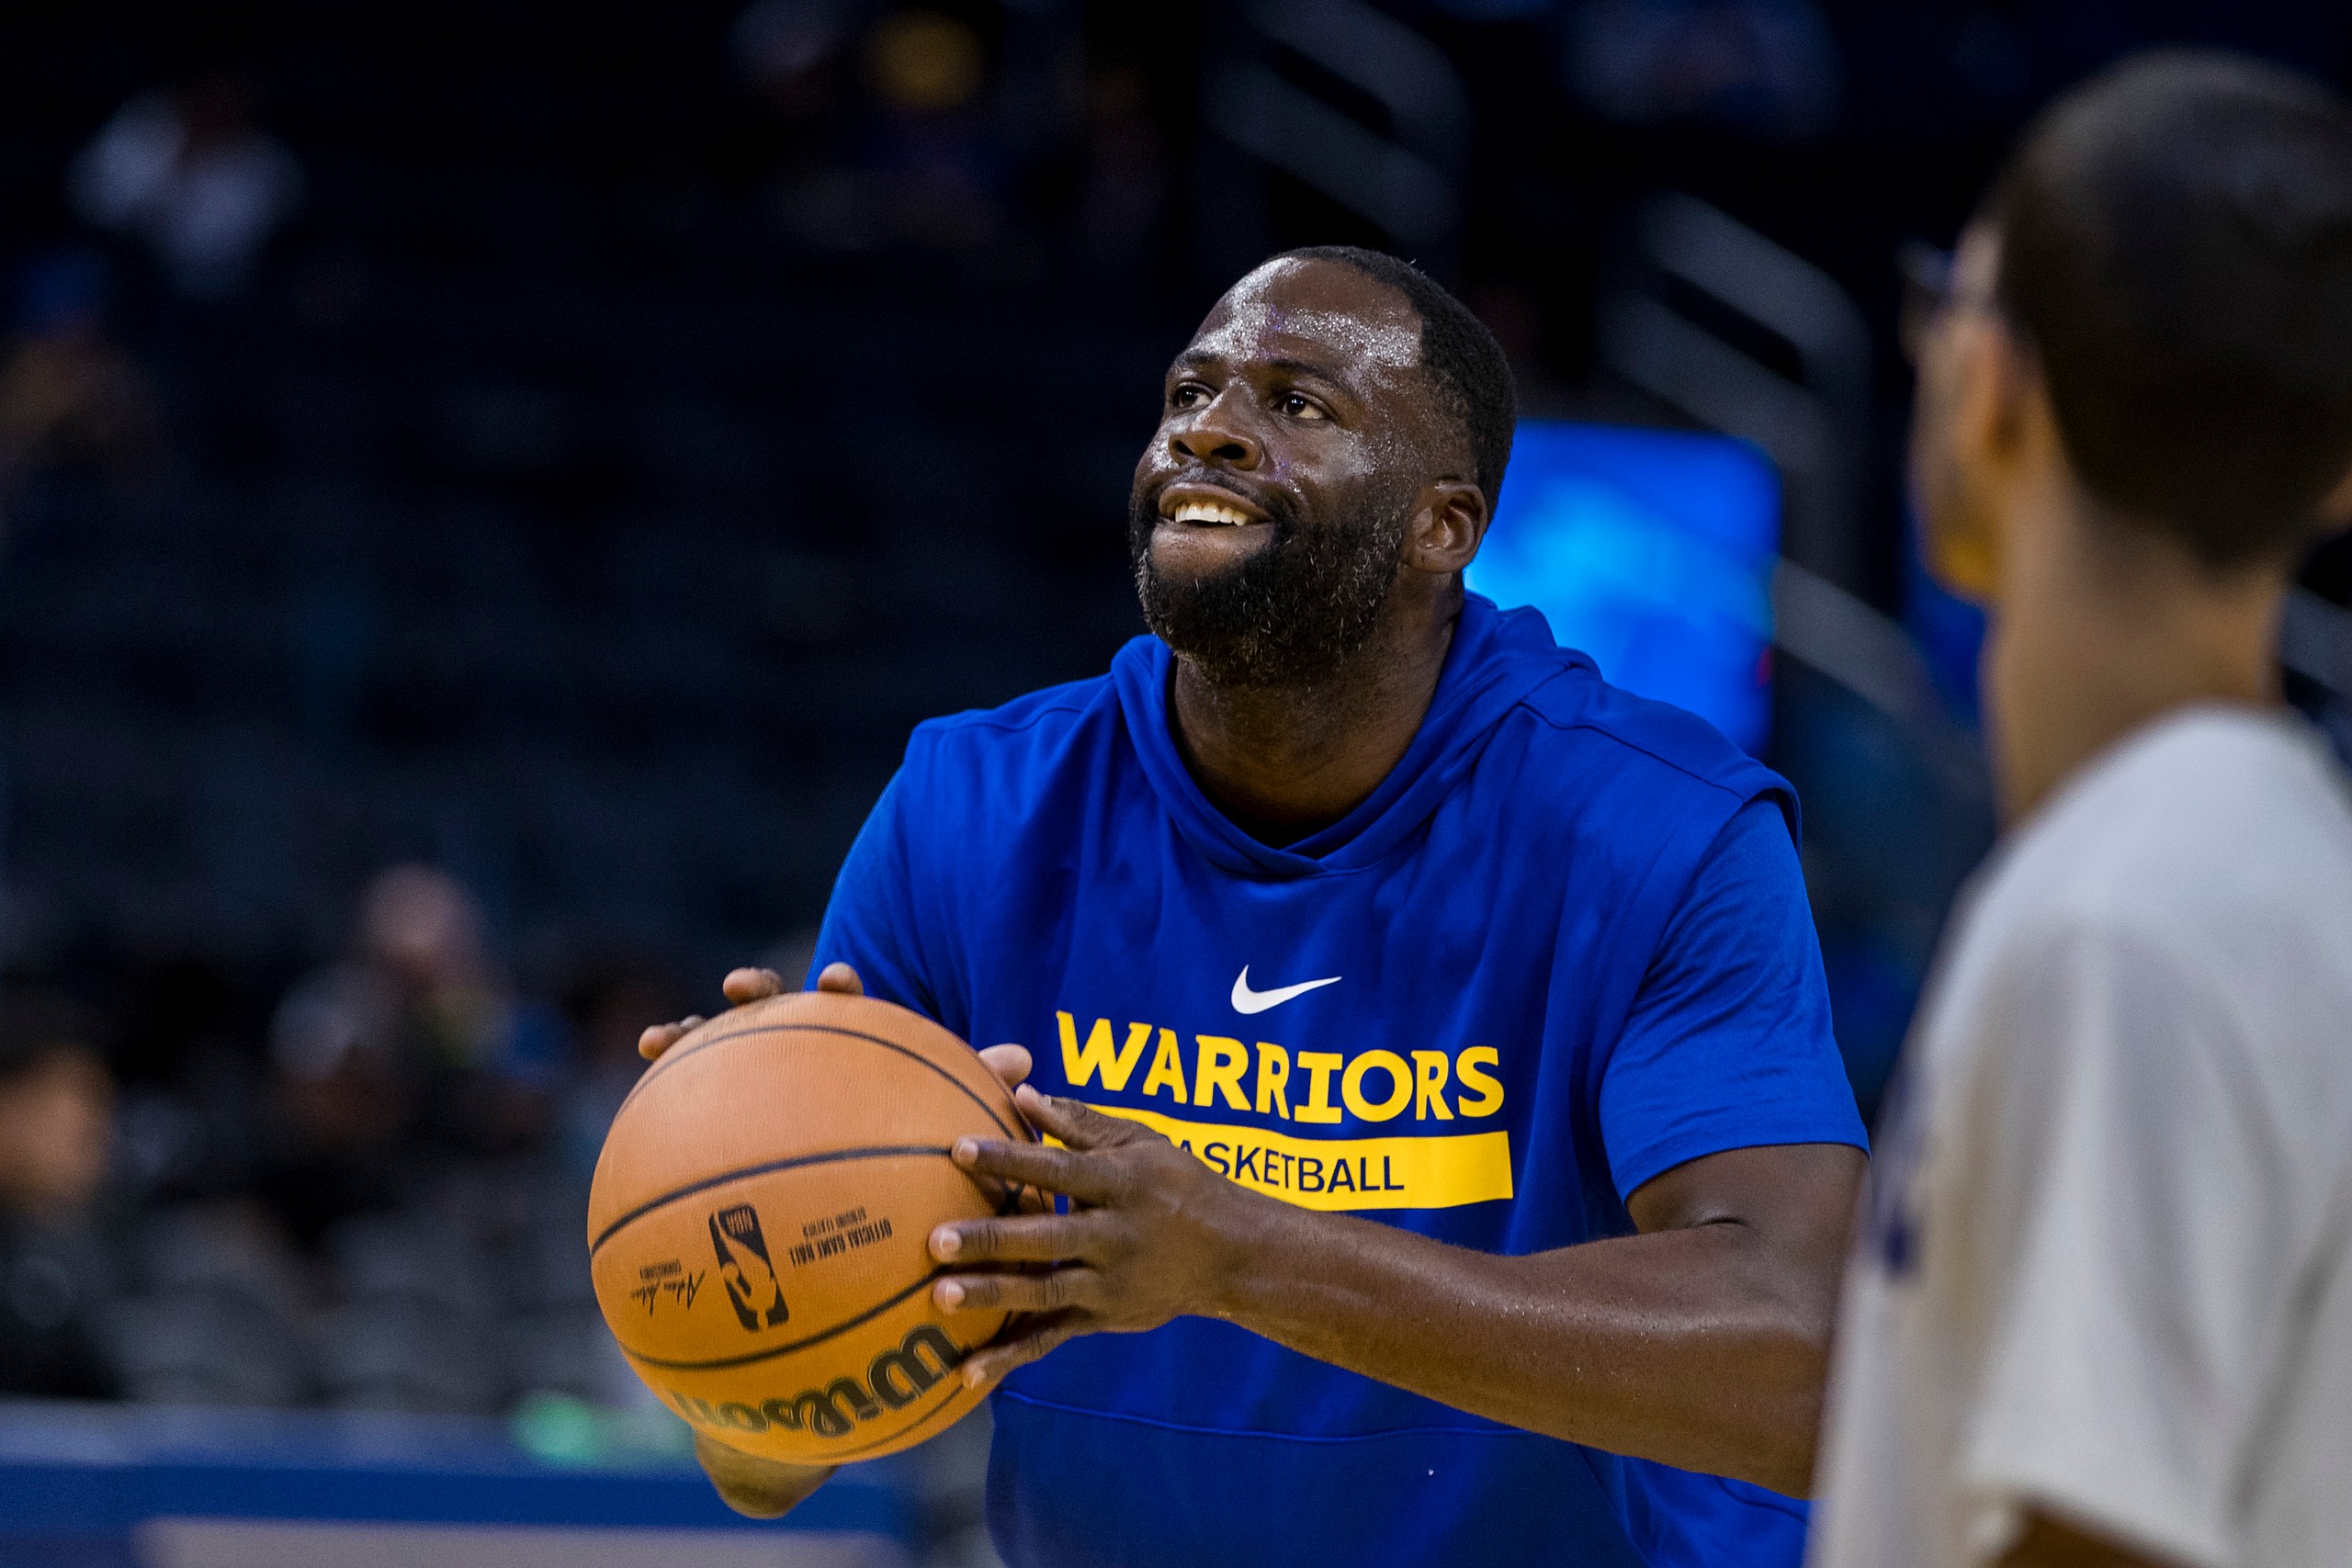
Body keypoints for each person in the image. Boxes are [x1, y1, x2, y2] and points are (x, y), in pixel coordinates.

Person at [642, 245, 1868, 1566]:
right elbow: (764, 1466)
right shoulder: (972, 808)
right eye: (1190, 392)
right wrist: (731, 1201)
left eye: (1298, 405)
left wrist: (1238, 1257)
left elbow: (1804, 1369)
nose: (1209, 430)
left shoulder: (1662, 831)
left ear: (1442, 527)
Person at [1810, 52, 2352, 1568]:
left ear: (1994, 386)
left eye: (1950, 298)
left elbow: (2104, 1534)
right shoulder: (2245, 866)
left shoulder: (2134, 920)